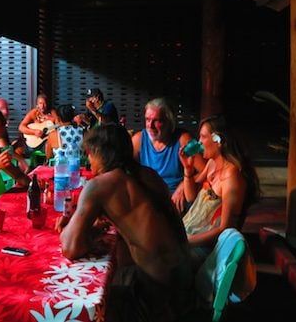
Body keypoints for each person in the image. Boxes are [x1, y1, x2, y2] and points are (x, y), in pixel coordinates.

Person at [56, 124, 194, 322]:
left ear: (100, 153)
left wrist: (68, 228)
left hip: (157, 300)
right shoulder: (149, 175)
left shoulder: (100, 185)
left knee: (95, 299)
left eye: (90, 154)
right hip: (183, 285)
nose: (88, 160)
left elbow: (70, 248)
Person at [181, 115, 259, 259]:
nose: (199, 142)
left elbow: (225, 228)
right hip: (190, 237)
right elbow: (191, 197)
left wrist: (187, 242)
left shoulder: (232, 177)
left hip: (206, 247)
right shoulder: (211, 164)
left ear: (218, 141)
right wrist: (188, 171)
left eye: (203, 137)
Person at [131, 98, 206, 204]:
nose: (150, 126)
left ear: (169, 122)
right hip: (148, 201)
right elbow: (124, 169)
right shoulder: (138, 139)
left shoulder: (184, 139)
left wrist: (184, 184)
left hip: (175, 202)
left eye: (157, 121)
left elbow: (207, 171)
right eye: (147, 120)